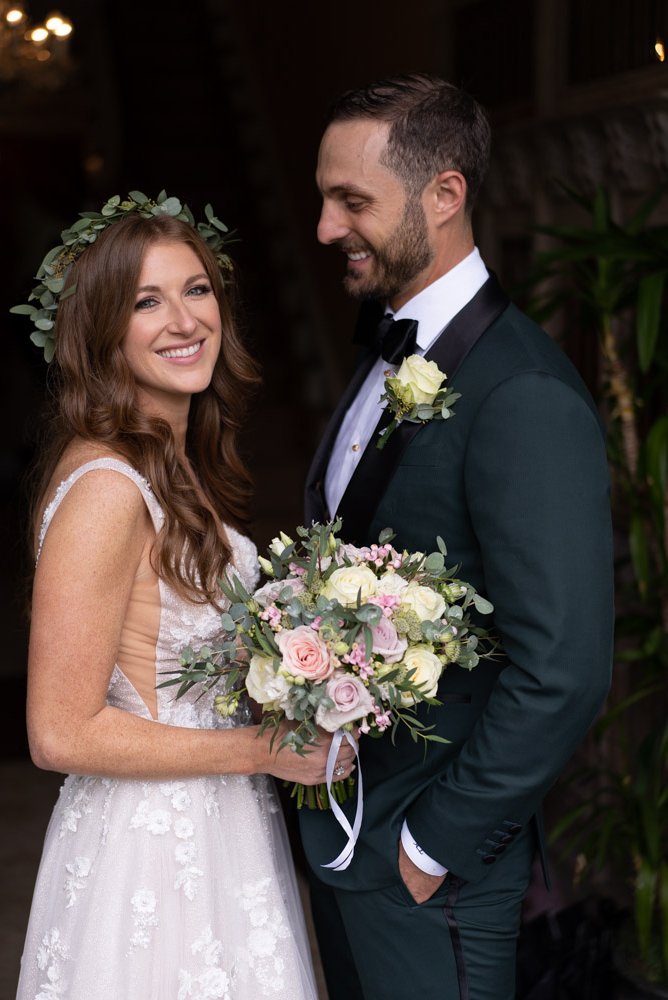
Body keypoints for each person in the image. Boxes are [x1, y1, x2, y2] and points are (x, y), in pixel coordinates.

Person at [302, 74, 615, 1000]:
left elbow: (563, 669)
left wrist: (427, 846)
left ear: (445, 194)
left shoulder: (523, 395)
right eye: (323, 197)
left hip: (428, 873)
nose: (324, 229)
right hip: (347, 842)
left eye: (351, 201)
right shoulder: (390, 345)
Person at [15, 198, 355, 999]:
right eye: (144, 301)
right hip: (151, 851)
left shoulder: (177, 467)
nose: (182, 320)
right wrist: (259, 751)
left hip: (218, 827)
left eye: (195, 290)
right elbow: (58, 732)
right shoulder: (107, 487)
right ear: (101, 333)